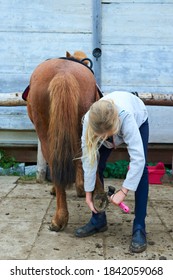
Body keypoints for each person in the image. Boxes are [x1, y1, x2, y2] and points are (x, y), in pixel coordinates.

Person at [75, 91, 149, 253]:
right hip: (105, 124)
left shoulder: (128, 118)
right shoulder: (89, 120)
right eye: (100, 136)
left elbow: (138, 159)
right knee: (98, 164)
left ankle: (139, 227)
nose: (103, 138)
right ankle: (98, 220)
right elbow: (89, 159)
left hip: (138, 116)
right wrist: (88, 192)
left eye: (106, 136)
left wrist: (123, 191)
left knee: (141, 170)